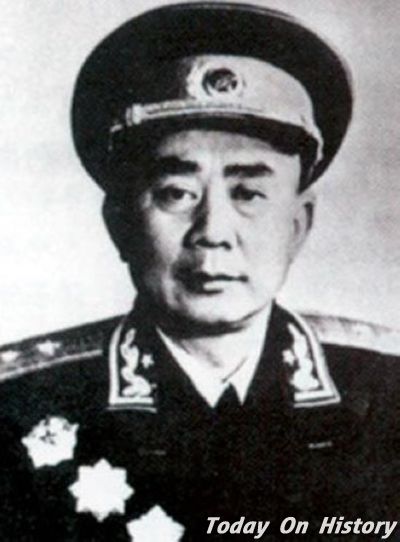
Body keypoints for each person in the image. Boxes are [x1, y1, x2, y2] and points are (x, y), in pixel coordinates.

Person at [1, 3, 400, 541]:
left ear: (298, 225)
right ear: (120, 224)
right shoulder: (20, 410)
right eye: (177, 193)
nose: (213, 231)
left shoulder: (387, 398)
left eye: (249, 193)